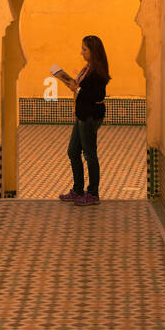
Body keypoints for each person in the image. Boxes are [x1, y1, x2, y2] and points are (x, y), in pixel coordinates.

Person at [53, 35, 110, 205]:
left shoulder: (98, 72)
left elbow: (97, 95)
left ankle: (93, 193)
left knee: (89, 153)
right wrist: (75, 86)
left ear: (93, 52)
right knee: (73, 151)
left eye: (84, 50)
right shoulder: (88, 69)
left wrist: (77, 89)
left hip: (90, 116)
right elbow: (85, 90)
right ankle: (78, 190)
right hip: (82, 115)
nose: (81, 53)